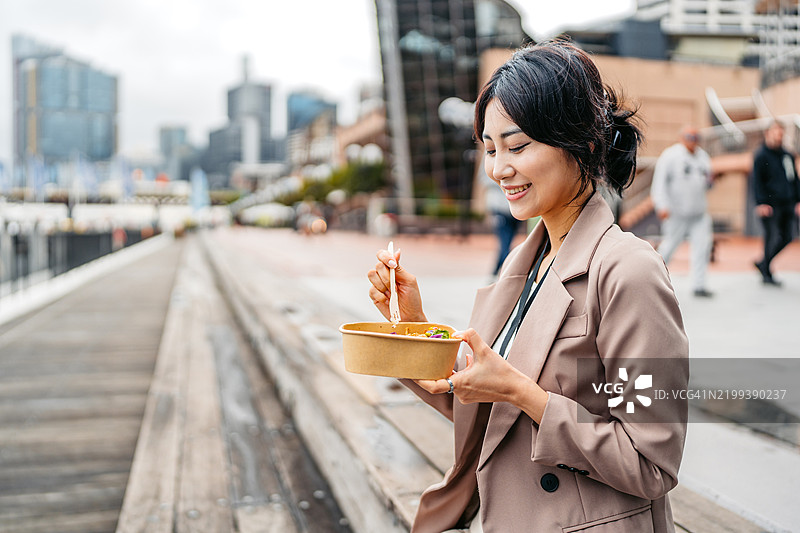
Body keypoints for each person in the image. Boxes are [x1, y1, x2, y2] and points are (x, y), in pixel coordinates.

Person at [367, 40, 689, 533]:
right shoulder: (525, 262)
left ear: (581, 142)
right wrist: (414, 327)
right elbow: (483, 411)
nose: (499, 169)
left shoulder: (629, 270)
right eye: (490, 149)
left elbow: (650, 462)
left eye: (517, 146)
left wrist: (525, 395)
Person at [650, 127, 714, 297]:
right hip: (676, 212)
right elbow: (659, 183)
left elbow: (707, 181)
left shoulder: (703, 157)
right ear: (681, 137)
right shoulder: (670, 156)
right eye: (689, 136)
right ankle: (653, 280)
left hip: (699, 213)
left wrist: (709, 182)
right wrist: (661, 205)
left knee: (703, 247)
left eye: (696, 137)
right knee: (669, 246)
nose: (693, 140)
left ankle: (699, 285)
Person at [753, 121, 800, 286]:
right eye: (775, 133)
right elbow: (757, 181)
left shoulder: (787, 155)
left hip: (787, 202)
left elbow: (794, 179)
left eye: (781, 134)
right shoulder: (761, 155)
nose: (778, 137)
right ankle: (766, 272)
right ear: (768, 133)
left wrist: (798, 200)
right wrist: (761, 203)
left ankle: (763, 263)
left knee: (788, 237)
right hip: (770, 204)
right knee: (771, 237)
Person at [483, 164, 522, 277]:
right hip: (500, 209)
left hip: (515, 210)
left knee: (507, 242)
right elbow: (484, 179)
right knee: (505, 243)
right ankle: (502, 272)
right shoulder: (490, 167)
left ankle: (498, 272)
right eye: (491, 154)